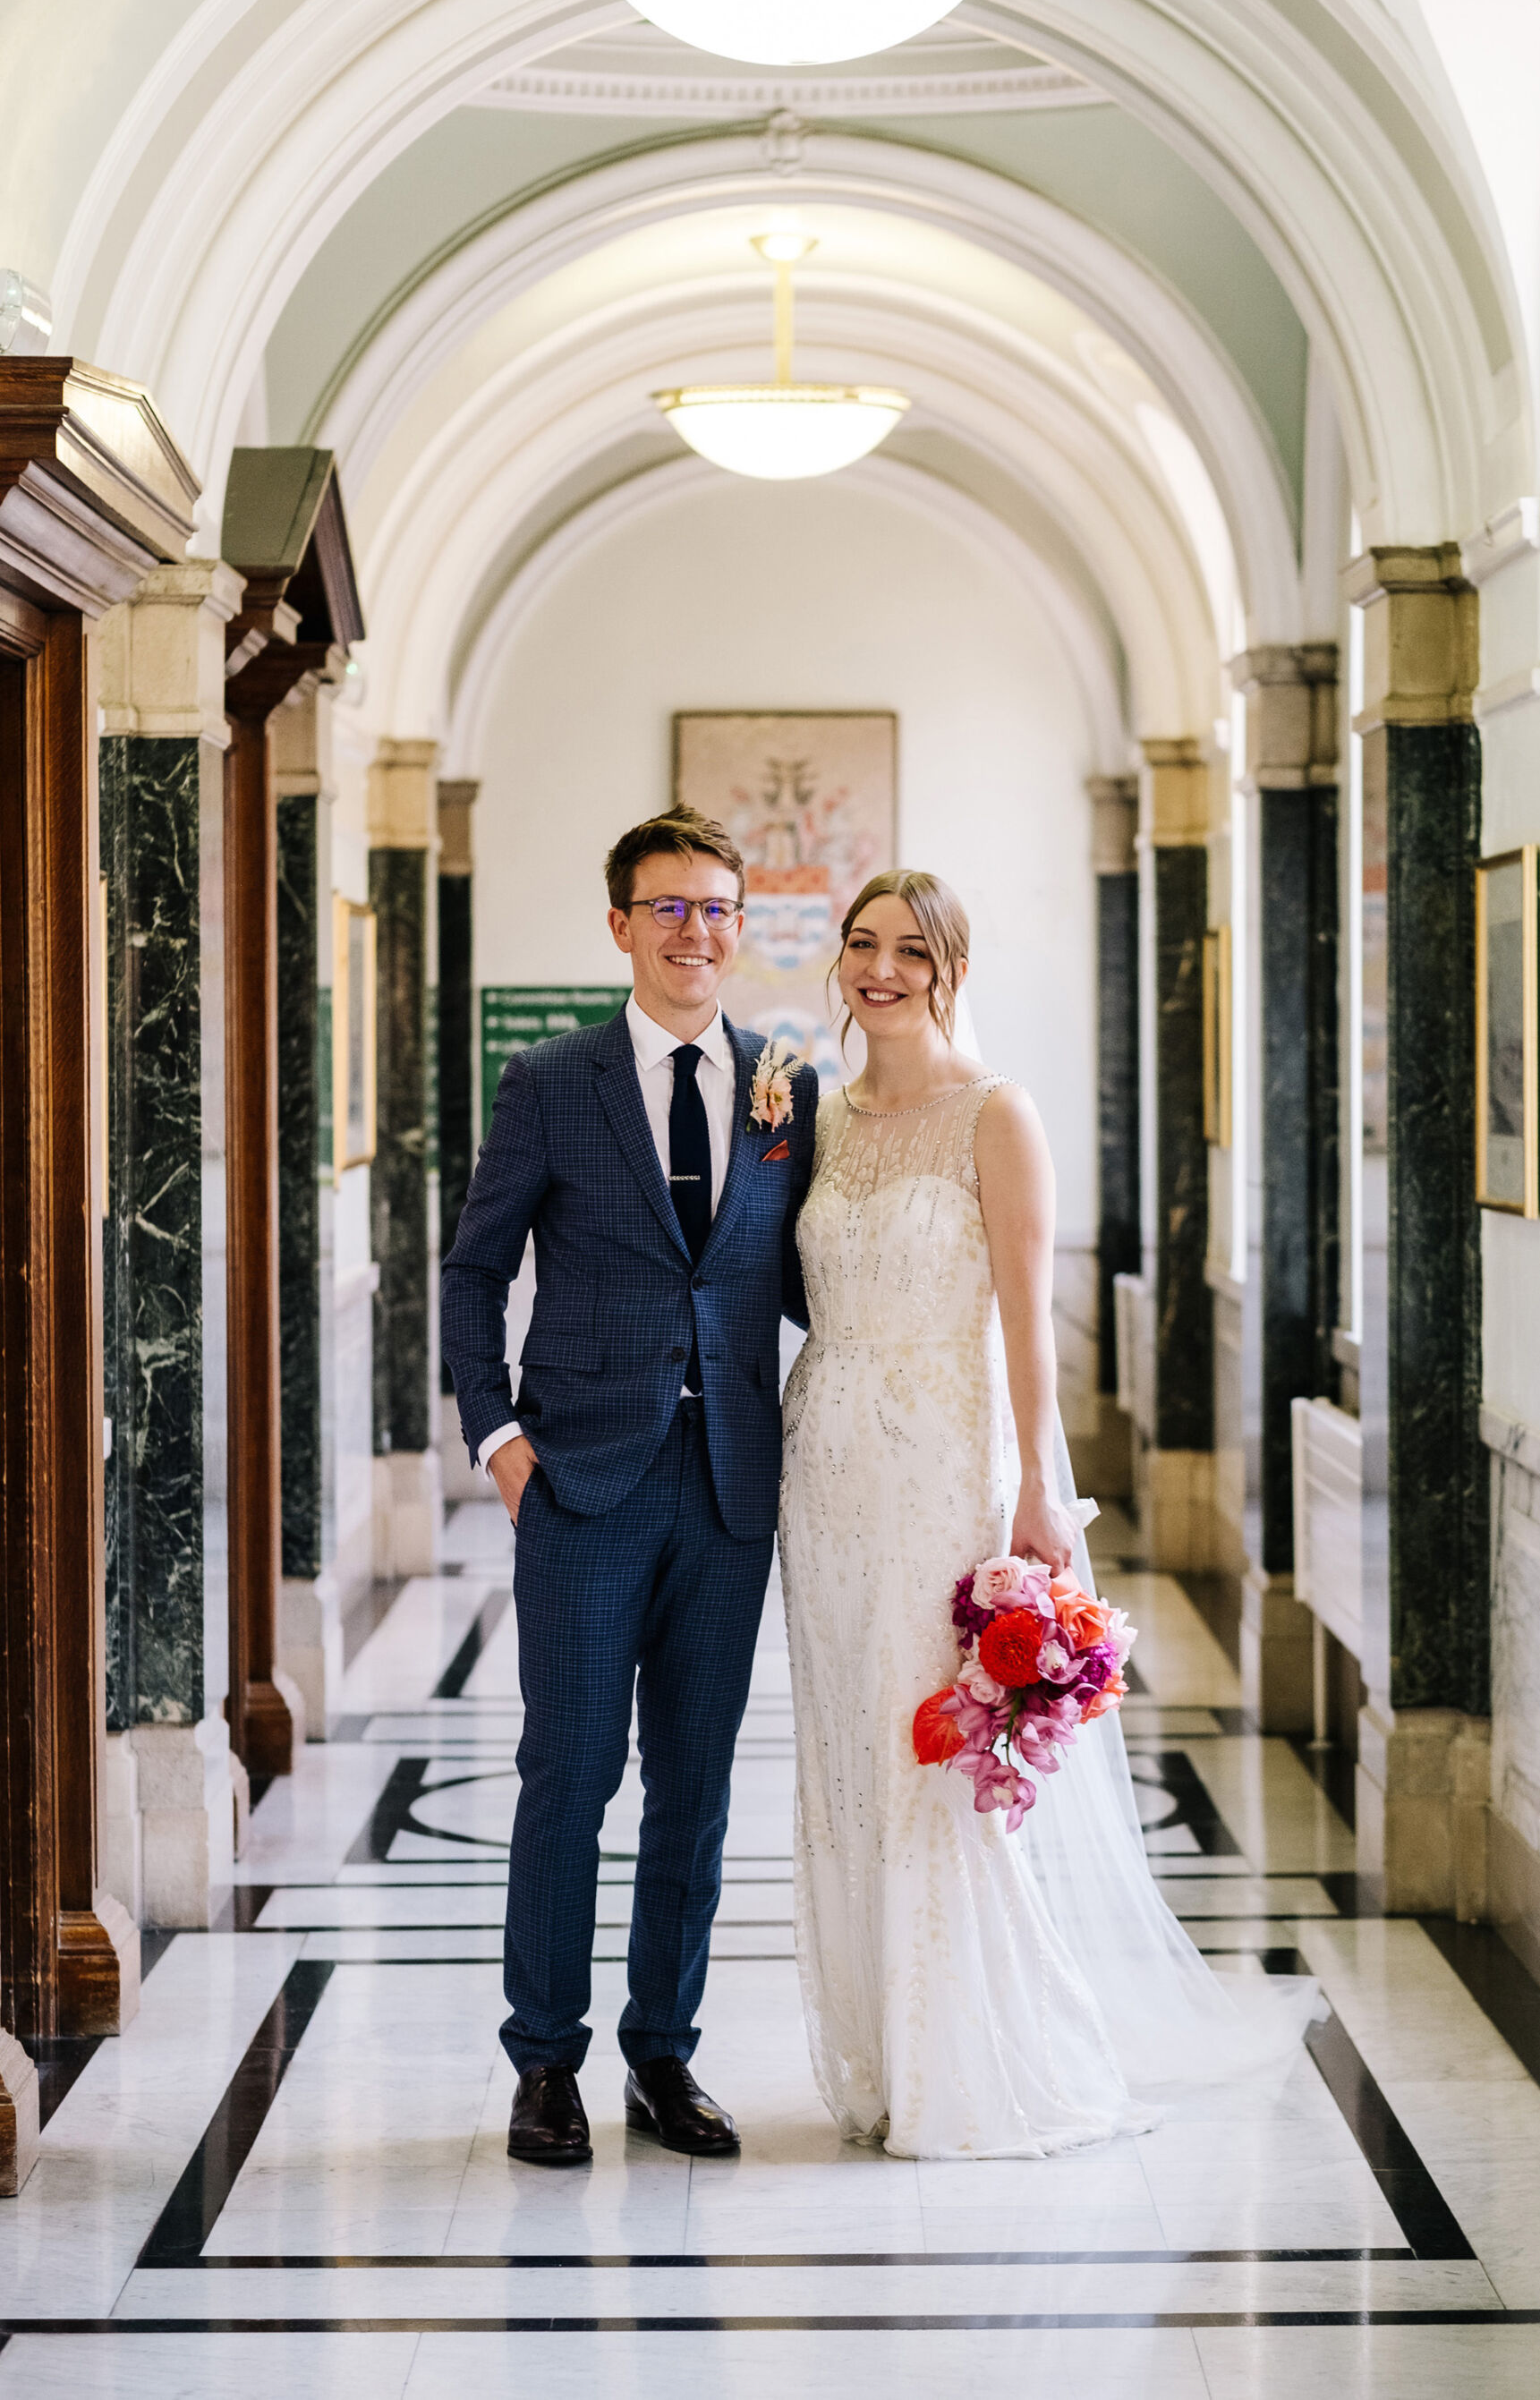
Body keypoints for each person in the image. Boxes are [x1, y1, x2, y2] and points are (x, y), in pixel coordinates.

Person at [778, 869, 1312, 2159]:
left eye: (913, 949)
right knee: (851, 1752)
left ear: (952, 967)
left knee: (936, 1761)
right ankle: (886, 2056)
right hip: (826, 1466)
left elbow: (1028, 1325)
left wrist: (1035, 1489)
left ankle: (973, 2060)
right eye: (863, 944)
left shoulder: (996, 1116)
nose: (882, 969)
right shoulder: (820, 1117)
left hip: (945, 1472)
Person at [442, 808, 817, 2166]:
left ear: (741, 925)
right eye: (668, 908)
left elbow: (798, 1281)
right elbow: (475, 1267)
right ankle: (545, 2064)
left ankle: (666, 2055)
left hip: (730, 1492)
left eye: (718, 908)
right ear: (620, 925)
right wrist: (497, 1439)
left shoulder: (788, 1084)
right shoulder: (550, 1080)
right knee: (569, 1774)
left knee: (697, 1786)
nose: (695, 932)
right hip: (581, 1487)